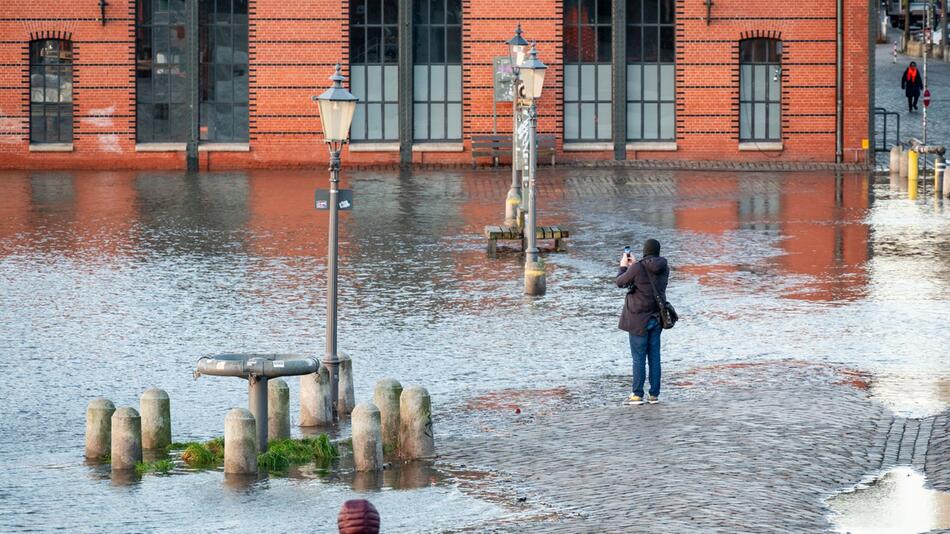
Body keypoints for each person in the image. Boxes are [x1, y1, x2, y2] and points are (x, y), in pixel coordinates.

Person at [615, 238, 669, 405]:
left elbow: (620, 282)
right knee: (654, 357)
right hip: (657, 317)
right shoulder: (665, 267)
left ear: (645, 251)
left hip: (638, 320)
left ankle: (637, 394)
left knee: (638, 358)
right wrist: (637, 264)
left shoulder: (638, 268)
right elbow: (647, 276)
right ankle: (654, 395)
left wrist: (624, 266)